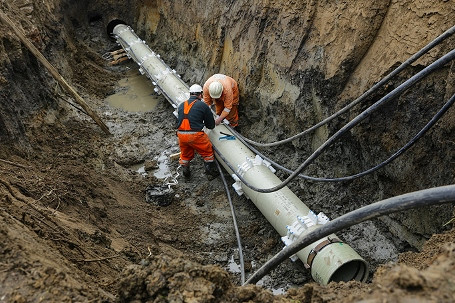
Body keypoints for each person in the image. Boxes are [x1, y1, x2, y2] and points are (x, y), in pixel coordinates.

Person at [177, 84, 219, 180]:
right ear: (200, 95)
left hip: (181, 135)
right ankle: (210, 173)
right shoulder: (203, 106)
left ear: (190, 94)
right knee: (207, 152)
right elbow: (210, 125)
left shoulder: (181, 105)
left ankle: (186, 173)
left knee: (185, 154)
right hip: (195, 135)